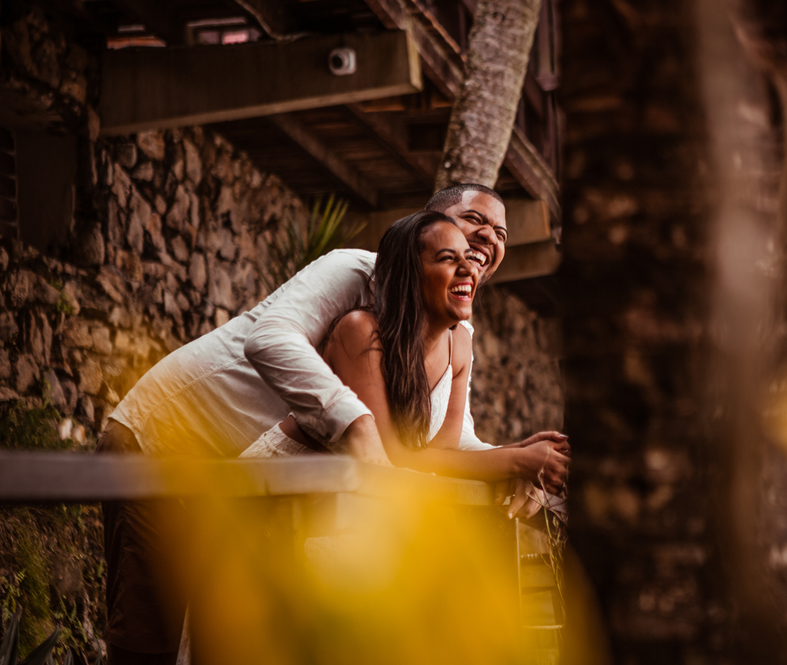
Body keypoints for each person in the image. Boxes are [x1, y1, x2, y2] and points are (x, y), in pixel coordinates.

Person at [97, 184, 567, 665]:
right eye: (475, 222)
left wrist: (512, 463)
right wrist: (359, 424)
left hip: (255, 489)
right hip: (167, 444)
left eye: (500, 235)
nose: (489, 240)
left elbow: (446, 441)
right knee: (150, 655)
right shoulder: (354, 279)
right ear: (427, 223)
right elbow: (271, 339)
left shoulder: (451, 333)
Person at [241, 210, 570, 494]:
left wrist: (520, 453)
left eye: (468, 258)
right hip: (272, 485)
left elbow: (441, 457)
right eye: (447, 258)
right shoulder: (361, 331)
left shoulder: (460, 346)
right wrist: (515, 462)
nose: (468, 268)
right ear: (410, 273)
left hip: (341, 497)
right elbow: (393, 456)